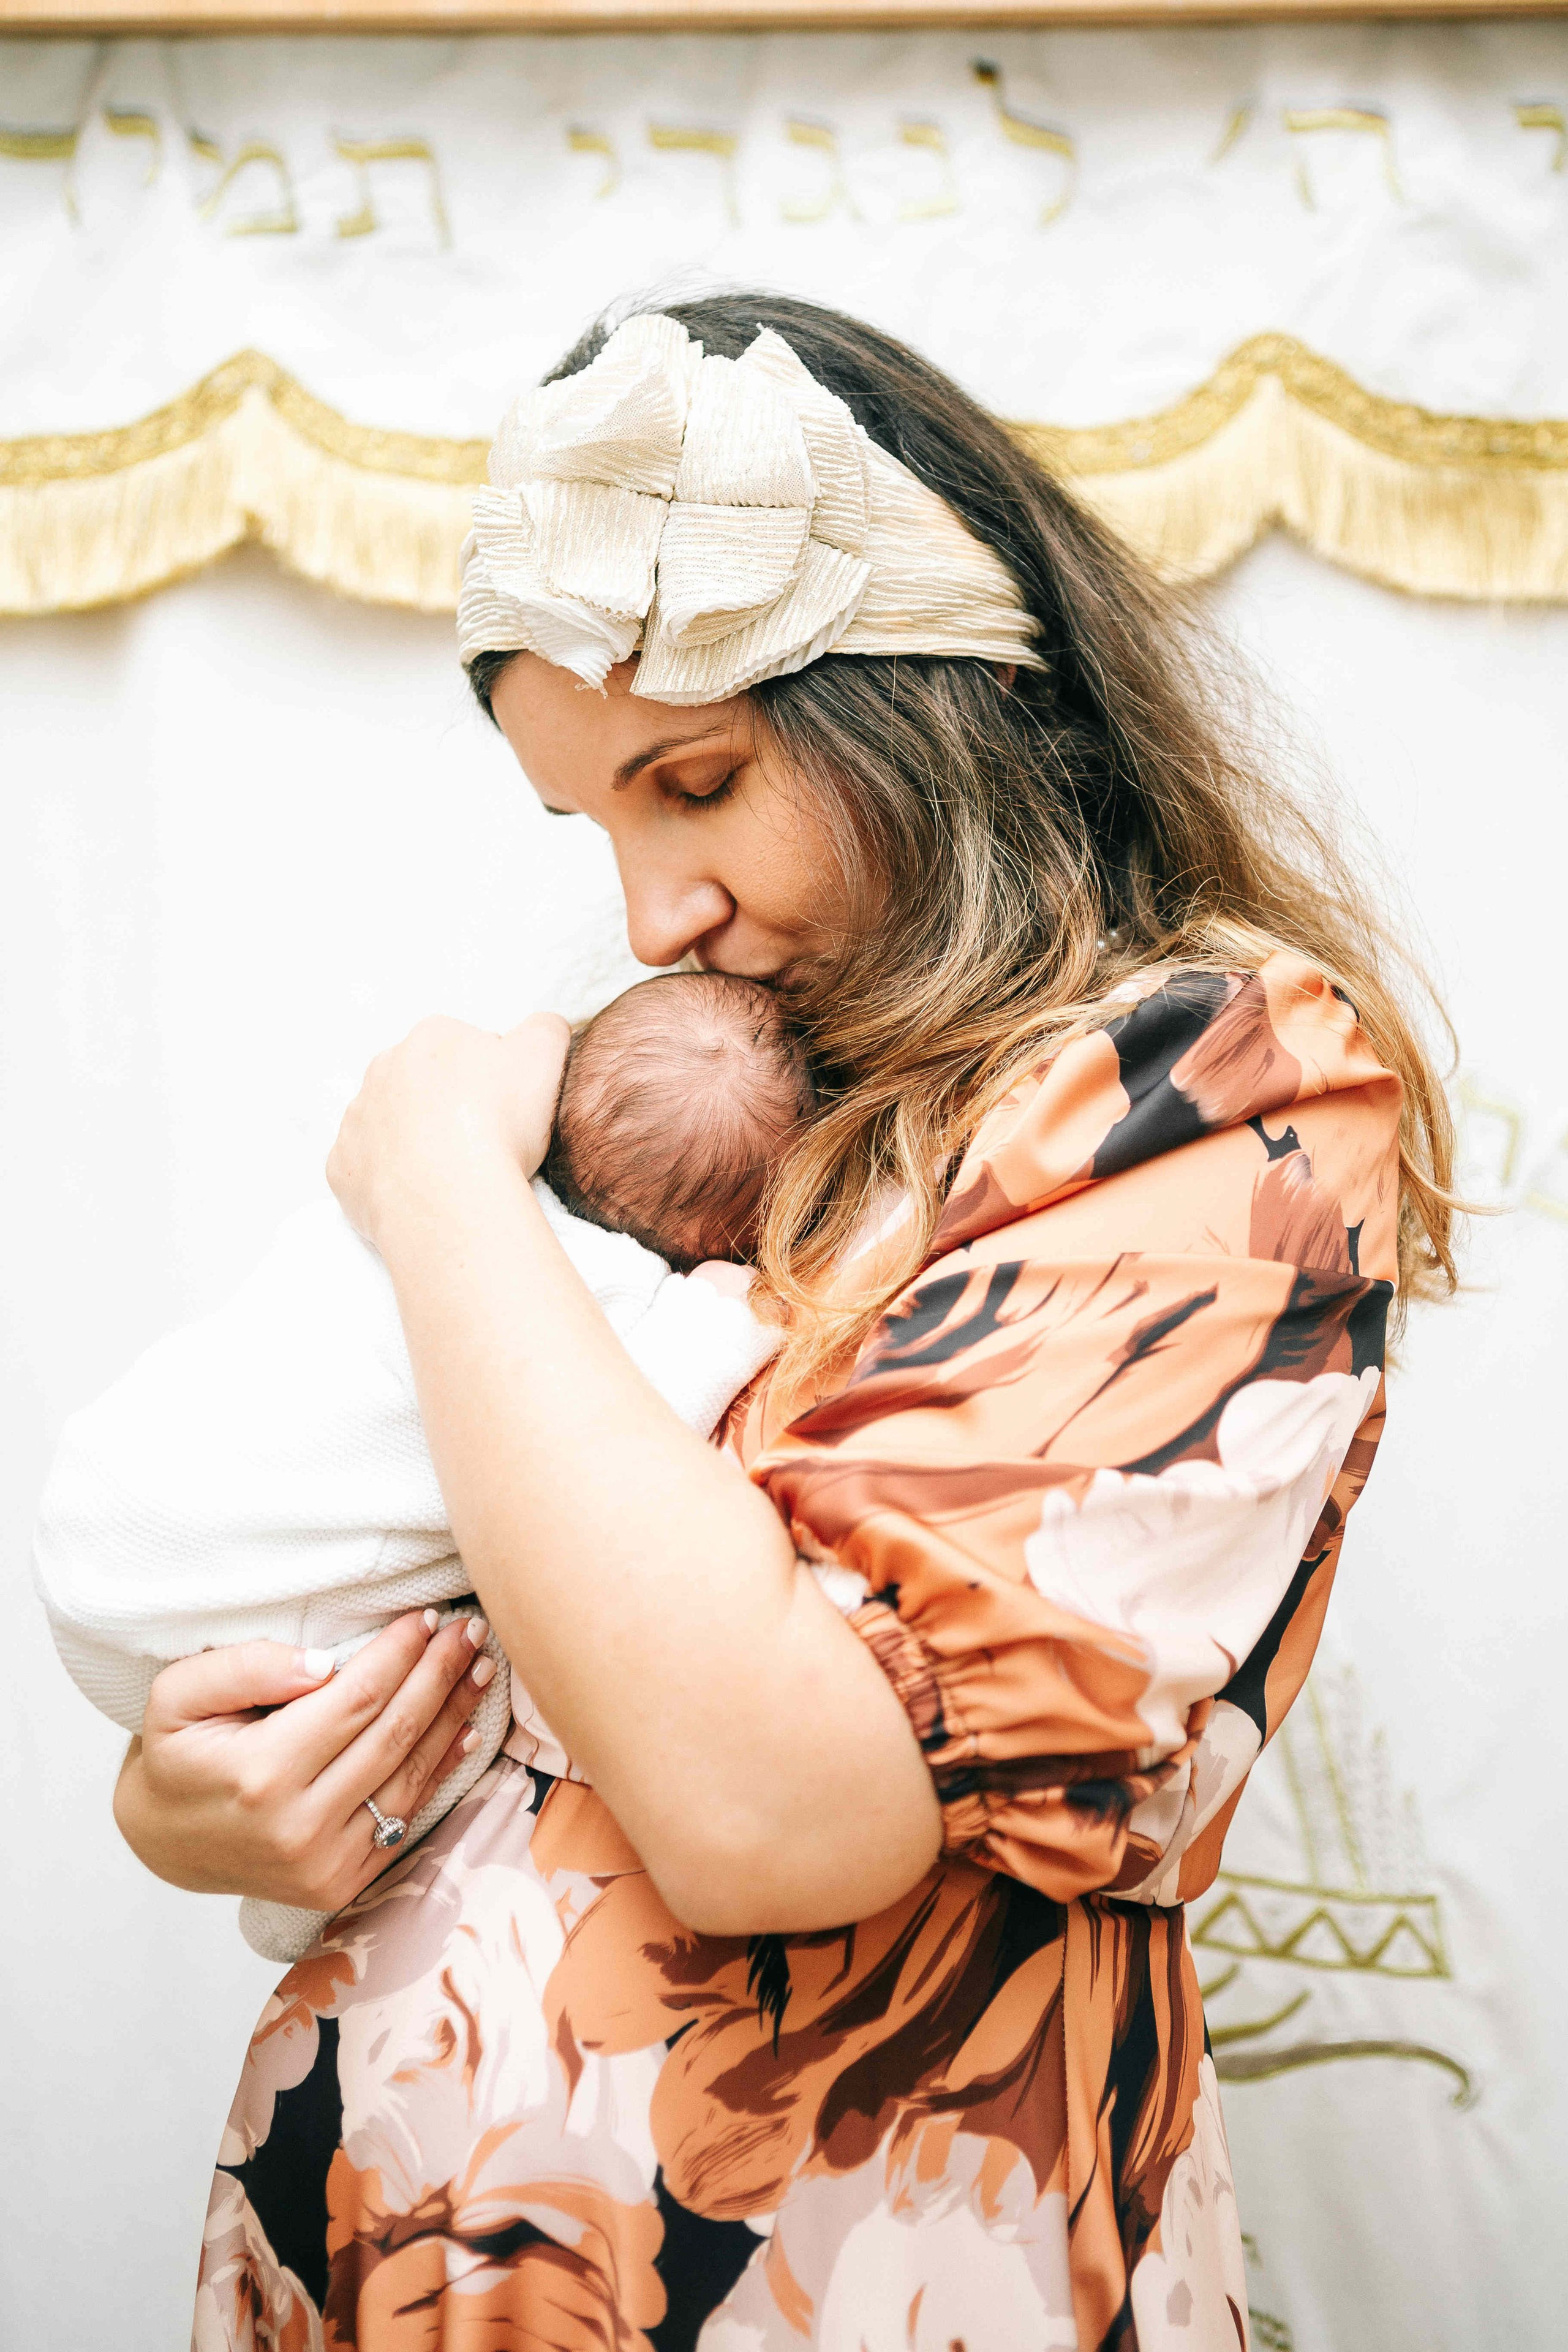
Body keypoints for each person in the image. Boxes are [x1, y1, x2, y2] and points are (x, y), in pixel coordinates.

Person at [110, 293, 1454, 2351]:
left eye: (699, 783)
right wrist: (217, 1783)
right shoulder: (745, 1090)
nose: (654, 916)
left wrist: (438, 1177)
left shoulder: (1211, 1086)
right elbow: (459, 1573)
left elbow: (766, 1811)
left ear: (924, 700)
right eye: (597, 829)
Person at [35, 971, 805, 1962]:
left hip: (115, 1511)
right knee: (452, 1690)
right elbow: (675, 1400)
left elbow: (502, 1053)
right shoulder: (610, 1313)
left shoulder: (428, 1175)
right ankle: (290, 1924)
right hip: (253, 1628)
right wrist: (739, 1305)